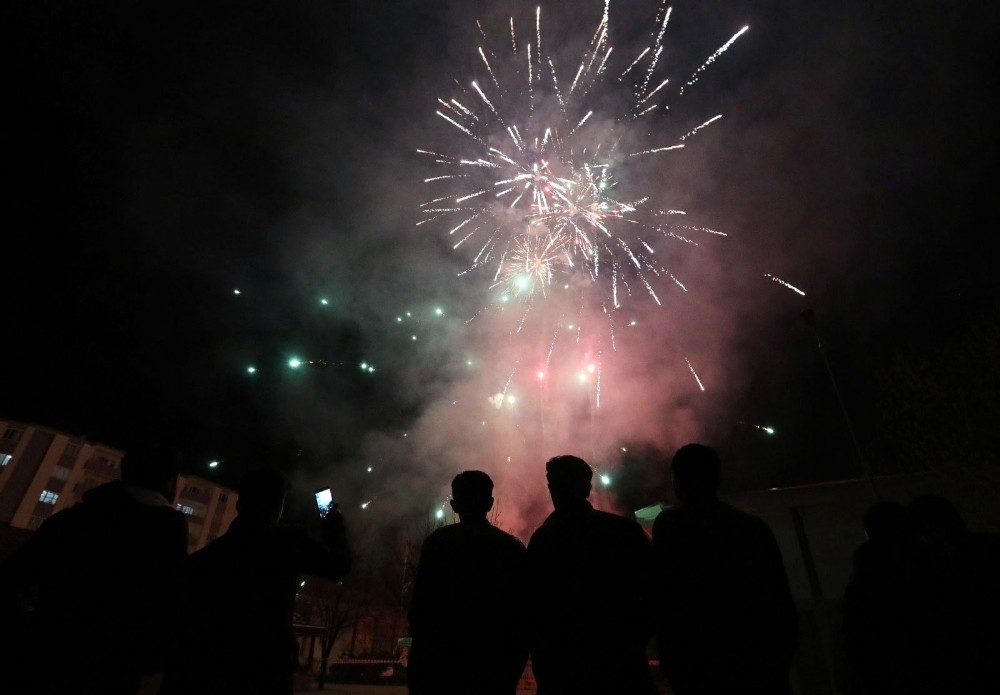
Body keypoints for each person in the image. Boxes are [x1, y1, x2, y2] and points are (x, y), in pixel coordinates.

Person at [0, 444, 189, 695]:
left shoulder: (72, 521)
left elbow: (12, 577)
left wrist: (33, 636)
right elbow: (171, 611)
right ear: (170, 483)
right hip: (115, 673)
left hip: (47, 661)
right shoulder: (168, 539)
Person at [166, 466, 351, 695]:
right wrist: (333, 520)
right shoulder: (287, 544)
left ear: (239, 503)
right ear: (278, 508)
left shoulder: (203, 560)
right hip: (267, 676)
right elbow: (340, 564)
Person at [652, 443, 797, 695]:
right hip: (754, 657)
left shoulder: (671, 526)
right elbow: (779, 599)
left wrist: (673, 660)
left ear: (678, 480)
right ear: (716, 477)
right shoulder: (752, 527)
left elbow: (666, 597)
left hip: (699, 662)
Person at [526, 455, 657, 695]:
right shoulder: (625, 532)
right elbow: (653, 593)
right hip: (622, 668)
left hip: (564, 672)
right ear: (587, 488)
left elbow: (535, 611)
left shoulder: (544, 540)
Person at [407, 470, 528, 695]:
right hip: (491, 669)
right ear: (490, 504)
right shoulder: (511, 549)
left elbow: (420, 611)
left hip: (440, 669)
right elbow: (520, 619)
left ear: (454, 505)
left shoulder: (436, 544)